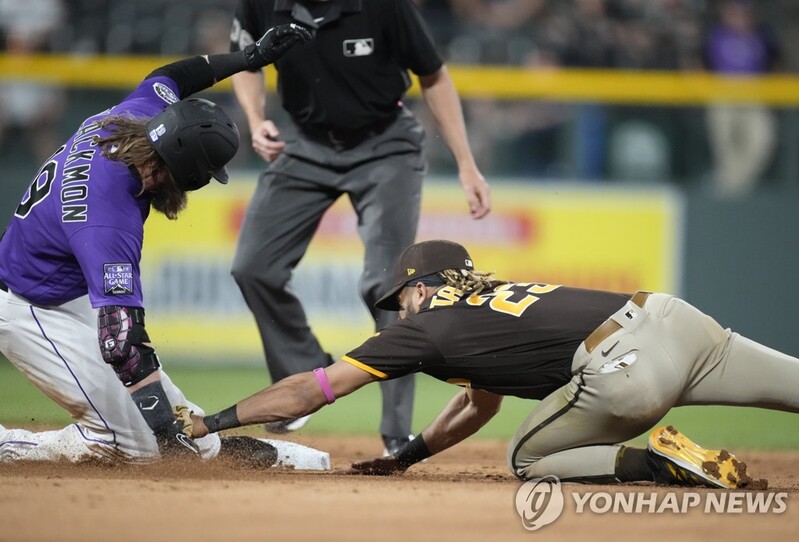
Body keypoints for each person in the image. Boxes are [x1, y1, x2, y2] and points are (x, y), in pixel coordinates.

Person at [193, 239, 799, 488]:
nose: (399, 313)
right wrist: (405, 458)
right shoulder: (497, 299)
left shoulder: (427, 326)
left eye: (400, 300)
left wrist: (212, 422)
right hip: (674, 318)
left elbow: (312, 389)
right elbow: (478, 403)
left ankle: (658, 463)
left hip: (626, 369)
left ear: (423, 288)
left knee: (526, 460)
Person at [0, 23, 313, 464]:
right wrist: (167, 437)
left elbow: (171, 76)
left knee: (191, 431)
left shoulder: (139, 116)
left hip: (65, 285)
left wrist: (249, 58)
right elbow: (121, 342)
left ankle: (210, 449)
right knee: (140, 448)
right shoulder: (109, 217)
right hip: (30, 307)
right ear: (183, 171)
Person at [228, 0, 491, 455]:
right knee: (253, 267)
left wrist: (467, 164)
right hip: (305, 144)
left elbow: (434, 76)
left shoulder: (384, 6)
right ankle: (304, 374)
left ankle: (396, 433)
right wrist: (255, 118)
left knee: (387, 286)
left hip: (385, 145)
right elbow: (246, 61)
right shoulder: (262, 3)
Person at [703, 0, 781, 197]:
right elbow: (699, 63)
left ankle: (734, 186)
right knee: (725, 144)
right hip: (724, 93)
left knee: (762, 142)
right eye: (735, 14)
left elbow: (776, 64)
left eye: (745, 15)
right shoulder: (715, 35)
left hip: (754, 95)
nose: (740, 19)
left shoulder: (762, 37)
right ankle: (730, 187)